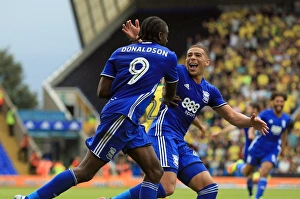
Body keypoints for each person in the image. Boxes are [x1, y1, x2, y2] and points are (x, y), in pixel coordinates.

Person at [98, 19, 268, 199]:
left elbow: (232, 116)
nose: (192, 58)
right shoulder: (177, 72)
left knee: (209, 188)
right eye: (189, 55)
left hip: (179, 141)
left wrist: (250, 122)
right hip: (162, 133)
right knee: (166, 187)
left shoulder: (209, 91)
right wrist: (137, 42)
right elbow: (152, 58)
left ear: (207, 62)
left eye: (197, 55)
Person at [14, 16, 179, 199]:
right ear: (161, 34)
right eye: (166, 36)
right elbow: (170, 91)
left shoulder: (120, 52)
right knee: (84, 171)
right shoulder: (169, 56)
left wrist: (127, 87)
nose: (167, 40)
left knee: (155, 171)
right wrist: (166, 98)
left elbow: (102, 91)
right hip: (122, 117)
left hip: (124, 117)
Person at [227, 91, 291, 199]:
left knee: (265, 172)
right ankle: (238, 165)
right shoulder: (265, 114)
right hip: (258, 146)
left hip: (273, 149)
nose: (279, 103)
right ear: (273, 102)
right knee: (247, 172)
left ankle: (257, 197)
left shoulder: (286, 119)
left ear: (284, 102)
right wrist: (251, 133)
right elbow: (255, 122)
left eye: (281, 101)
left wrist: (283, 149)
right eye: (277, 101)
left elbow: (284, 133)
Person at [211, 102, 261, 197]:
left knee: (256, 173)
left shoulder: (264, 119)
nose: (247, 109)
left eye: (249, 107)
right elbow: (233, 126)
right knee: (250, 174)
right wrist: (219, 133)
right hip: (249, 150)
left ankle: (252, 195)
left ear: (255, 109)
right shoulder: (248, 120)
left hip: (261, 150)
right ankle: (239, 166)